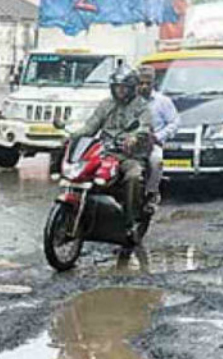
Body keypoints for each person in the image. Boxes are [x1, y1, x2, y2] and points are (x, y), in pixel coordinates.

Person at [70, 65, 152, 242]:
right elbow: (90, 127)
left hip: (129, 156)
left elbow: (145, 127)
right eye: (117, 87)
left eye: (124, 87)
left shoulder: (142, 107)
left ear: (132, 88)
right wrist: (72, 135)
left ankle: (131, 221)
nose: (120, 91)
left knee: (134, 176)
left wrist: (135, 137)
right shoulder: (105, 105)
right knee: (81, 172)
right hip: (105, 152)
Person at [138, 66, 179, 204]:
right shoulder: (130, 102)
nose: (144, 86)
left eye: (147, 83)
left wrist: (158, 136)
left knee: (156, 161)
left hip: (152, 142)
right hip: (131, 143)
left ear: (153, 83)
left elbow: (174, 123)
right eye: (141, 83)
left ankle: (151, 192)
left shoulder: (163, 102)